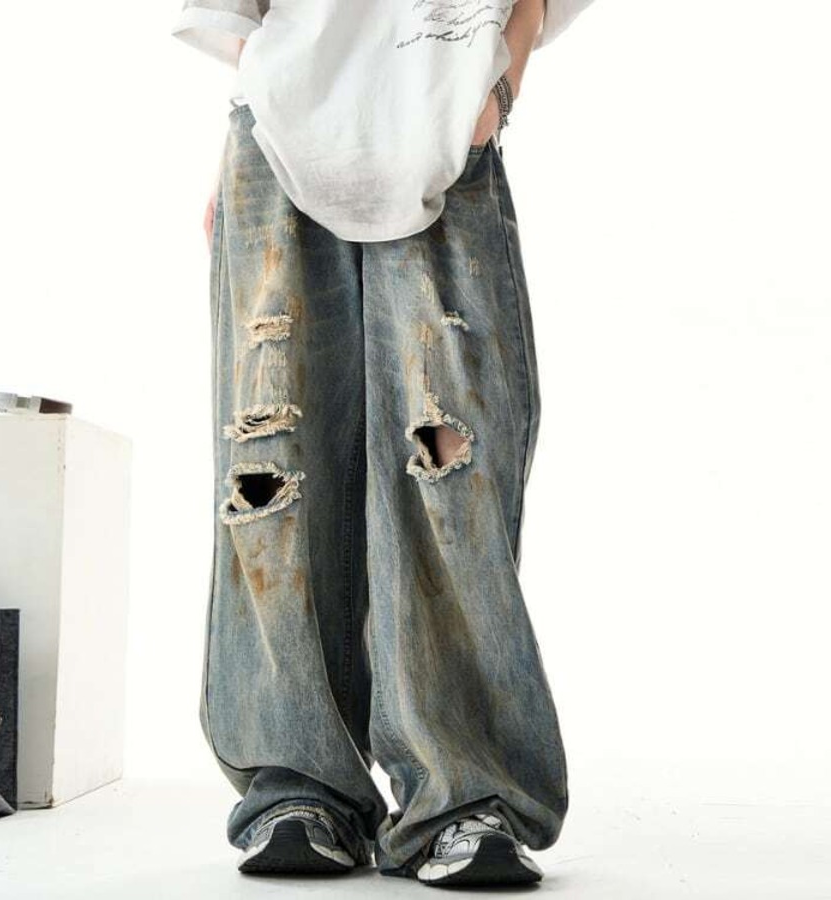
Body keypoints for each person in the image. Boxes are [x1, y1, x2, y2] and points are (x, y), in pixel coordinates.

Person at [172, 0, 595, 887]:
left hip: (445, 132)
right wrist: (243, 146)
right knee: (272, 471)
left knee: (450, 466)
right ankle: (298, 784)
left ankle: (467, 793)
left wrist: (496, 94)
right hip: (277, 149)